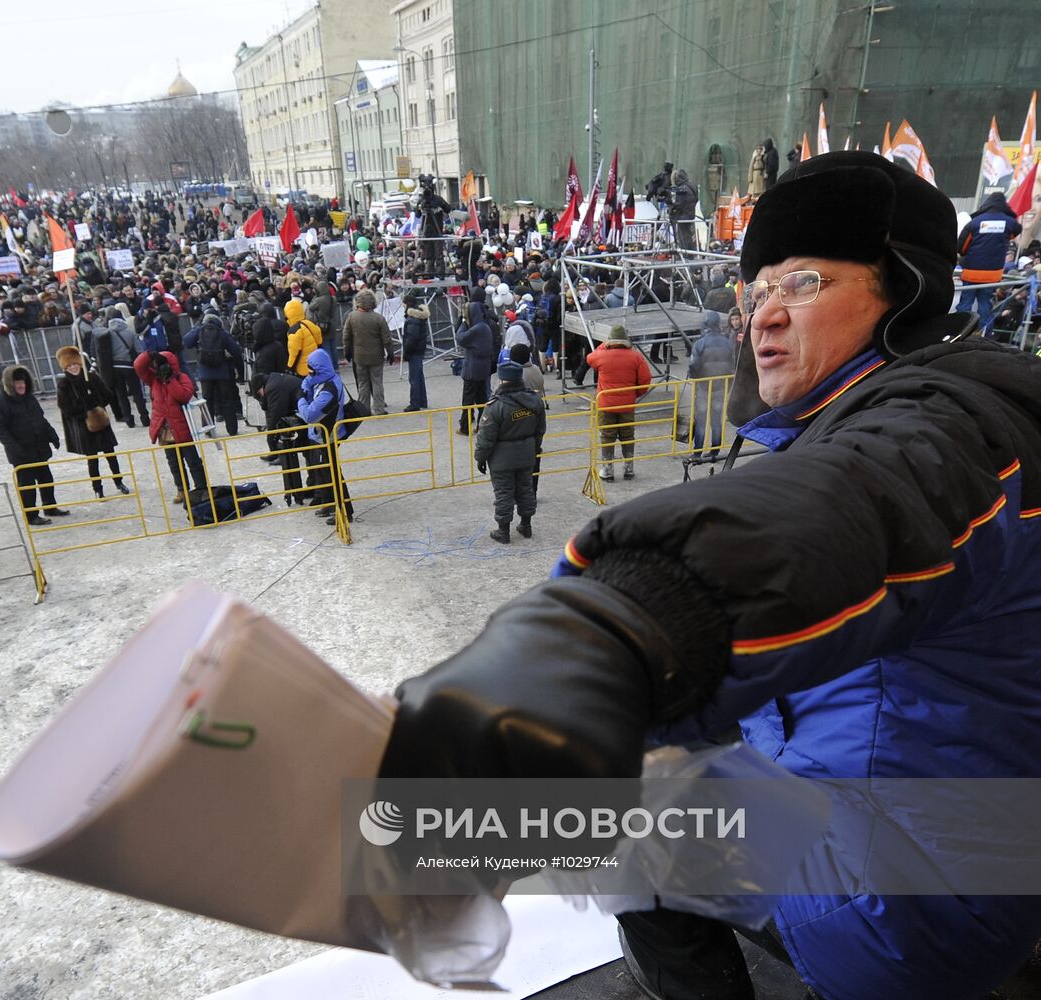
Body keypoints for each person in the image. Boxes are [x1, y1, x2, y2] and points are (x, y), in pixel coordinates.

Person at [377, 151, 1041, 1000]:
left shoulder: (951, 429)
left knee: (610, 819)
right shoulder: (899, 411)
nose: (763, 316)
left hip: (911, 904)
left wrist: (618, 632)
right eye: (755, 291)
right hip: (958, 847)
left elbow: (849, 507)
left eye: (801, 282)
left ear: (905, 293)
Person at [474, 360, 545, 545]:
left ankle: (503, 531)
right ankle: (526, 526)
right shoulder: (534, 400)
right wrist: (534, 448)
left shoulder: (495, 406)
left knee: (504, 492)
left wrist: (479, 458)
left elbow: (486, 438)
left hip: (502, 458)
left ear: (502, 380)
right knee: (525, 489)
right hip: (527, 454)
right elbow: (540, 429)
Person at [0, 364, 69, 526]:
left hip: (39, 448)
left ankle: (50, 506)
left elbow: (41, 418)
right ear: (9, 384)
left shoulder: (29, 398)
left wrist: (52, 434)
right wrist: (16, 448)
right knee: (27, 485)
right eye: (18, 383)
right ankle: (31, 515)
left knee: (46, 478)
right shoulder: (0, 403)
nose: (22, 386)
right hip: (21, 453)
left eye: (24, 382)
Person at [54, 346, 130, 500]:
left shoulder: (92, 377)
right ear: (65, 368)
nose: (73, 368)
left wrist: (95, 399)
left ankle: (119, 481)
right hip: (84, 426)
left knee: (111, 455)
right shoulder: (64, 385)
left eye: (75, 364)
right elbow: (66, 408)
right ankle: (97, 488)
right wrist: (84, 405)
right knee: (92, 459)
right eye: (69, 366)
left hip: (101, 422)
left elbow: (108, 395)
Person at [134, 349, 207, 504]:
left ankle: (202, 488)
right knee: (174, 462)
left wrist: (169, 380)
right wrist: (149, 355)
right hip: (164, 428)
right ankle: (182, 489)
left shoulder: (182, 378)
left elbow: (183, 396)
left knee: (192, 460)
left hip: (181, 427)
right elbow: (138, 366)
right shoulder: (153, 379)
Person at [585, 324, 650, 481]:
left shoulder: (601, 356)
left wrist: (604, 344)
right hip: (627, 404)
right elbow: (645, 379)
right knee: (627, 435)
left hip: (605, 403)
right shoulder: (636, 356)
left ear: (610, 339)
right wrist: (634, 394)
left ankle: (608, 470)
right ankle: (628, 468)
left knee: (607, 435)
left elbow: (589, 358)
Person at [295, 348, 353, 526]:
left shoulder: (329, 389)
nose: (308, 372)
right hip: (319, 435)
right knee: (321, 470)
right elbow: (307, 382)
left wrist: (301, 399)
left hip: (328, 435)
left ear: (319, 368)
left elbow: (310, 414)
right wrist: (305, 388)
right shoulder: (321, 379)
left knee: (332, 472)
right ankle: (329, 503)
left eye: (311, 368)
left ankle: (344, 510)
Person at [956, 191, 1022, 338]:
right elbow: (1016, 231)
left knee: (965, 304)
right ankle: (985, 336)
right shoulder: (1008, 222)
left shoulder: (976, 222)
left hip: (971, 272)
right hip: (992, 275)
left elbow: (962, 248)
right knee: (985, 305)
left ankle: (959, 332)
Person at [249, 370, 310, 507]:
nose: (259, 398)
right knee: (308, 451)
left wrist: (271, 439)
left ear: (260, 388)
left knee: (310, 452)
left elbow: (276, 413)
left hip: (306, 414)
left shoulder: (273, 388)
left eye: (258, 395)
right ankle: (313, 486)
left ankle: (316, 489)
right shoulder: (272, 381)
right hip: (302, 410)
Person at [686, 311, 735, 461]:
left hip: (704, 386)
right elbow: (733, 363)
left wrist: (694, 376)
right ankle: (715, 451)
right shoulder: (728, 343)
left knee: (701, 420)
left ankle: (697, 452)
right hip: (720, 386)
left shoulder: (700, 343)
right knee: (716, 419)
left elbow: (694, 364)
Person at [184, 313, 244, 436]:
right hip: (222, 371)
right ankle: (232, 429)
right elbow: (236, 350)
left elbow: (186, 342)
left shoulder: (200, 330)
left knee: (207, 402)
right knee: (227, 401)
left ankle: (209, 430)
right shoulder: (221, 332)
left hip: (205, 373)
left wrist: (197, 327)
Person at [342, 289, 395, 416]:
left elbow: (346, 337)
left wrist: (347, 352)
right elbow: (387, 339)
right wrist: (391, 353)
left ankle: (364, 410)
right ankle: (379, 408)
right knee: (377, 382)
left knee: (363, 383)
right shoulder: (379, 318)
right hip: (376, 356)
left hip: (359, 356)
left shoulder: (352, 317)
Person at [95, 313, 149, 428]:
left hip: (114, 368)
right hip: (130, 366)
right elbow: (139, 350)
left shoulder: (106, 333)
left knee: (121, 395)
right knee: (137, 393)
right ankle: (145, 418)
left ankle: (129, 420)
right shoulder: (130, 331)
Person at [454, 301, 494, 435]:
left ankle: (465, 427)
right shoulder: (485, 327)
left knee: (468, 400)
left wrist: (464, 322)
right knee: (482, 400)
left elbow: (460, 338)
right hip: (483, 368)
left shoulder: (477, 329)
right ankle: (483, 426)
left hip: (473, 369)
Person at [401, 292, 430, 412]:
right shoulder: (419, 317)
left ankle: (415, 403)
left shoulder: (412, 319)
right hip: (419, 350)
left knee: (414, 378)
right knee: (419, 377)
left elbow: (411, 338)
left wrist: (406, 352)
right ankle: (422, 400)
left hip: (414, 351)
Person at [285, 298, 323, 377]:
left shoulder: (294, 331)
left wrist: (289, 367)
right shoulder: (309, 323)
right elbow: (319, 340)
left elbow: (294, 352)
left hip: (304, 368)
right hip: (316, 363)